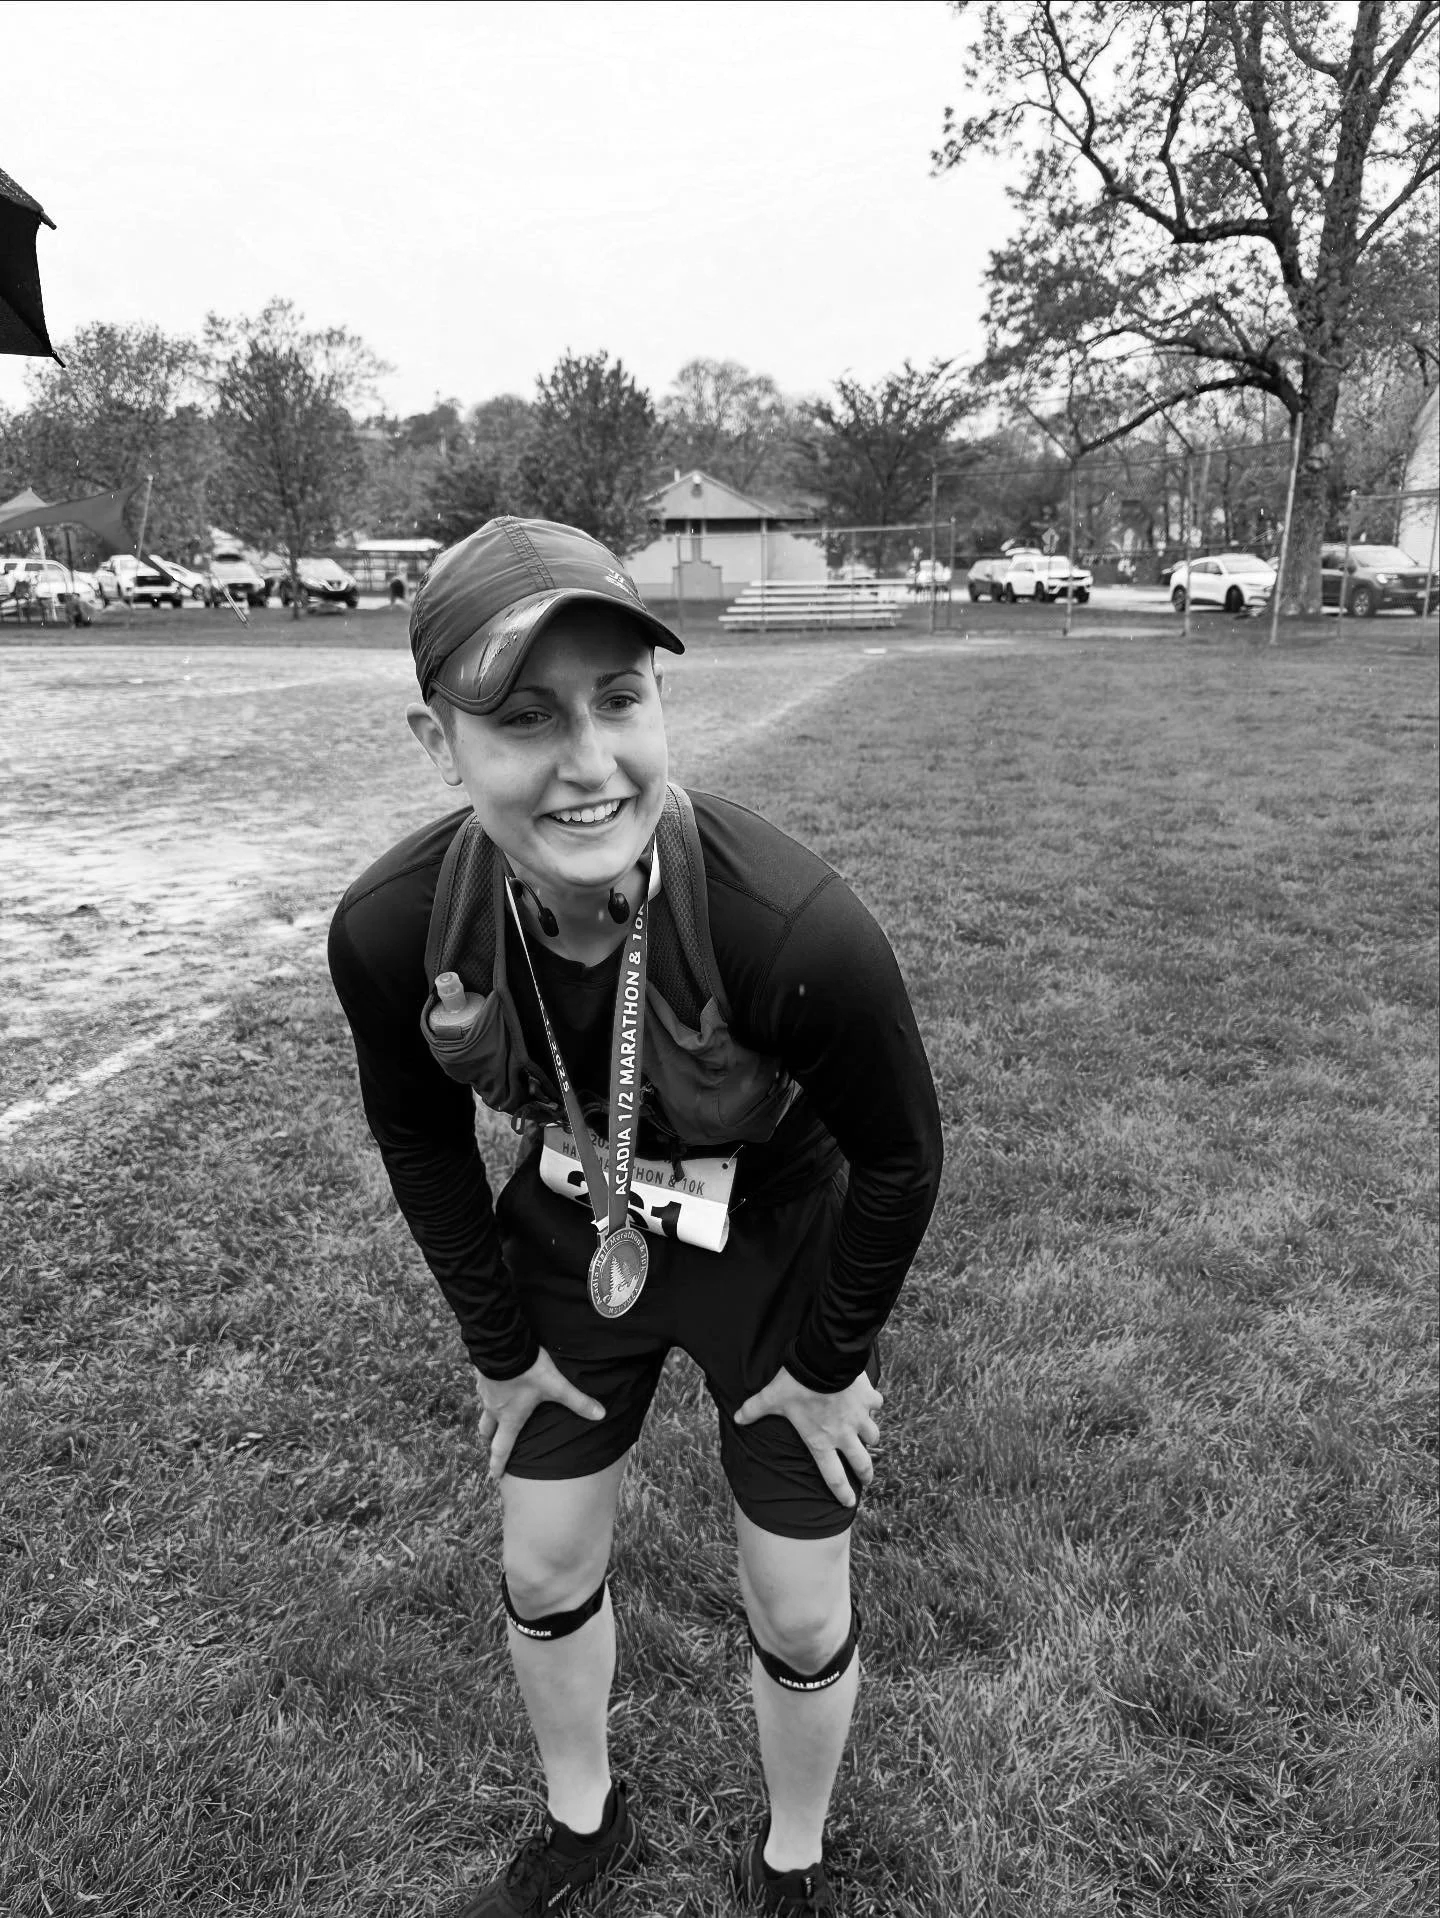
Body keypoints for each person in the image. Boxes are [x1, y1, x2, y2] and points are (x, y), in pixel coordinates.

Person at [327, 516, 943, 1917]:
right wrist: (499, 1349)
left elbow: (903, 1158)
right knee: (543, 1560)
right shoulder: (395, 927)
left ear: (660, 701)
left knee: (800, 1605)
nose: (589, 760)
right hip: (572, 1220)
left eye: (619, 699)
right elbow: (418, 1135)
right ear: (439, 743)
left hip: (770, 1239)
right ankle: (581, 1824)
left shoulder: (791, 927)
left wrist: (828, 1361)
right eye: (524, 718)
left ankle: (794, 1859)